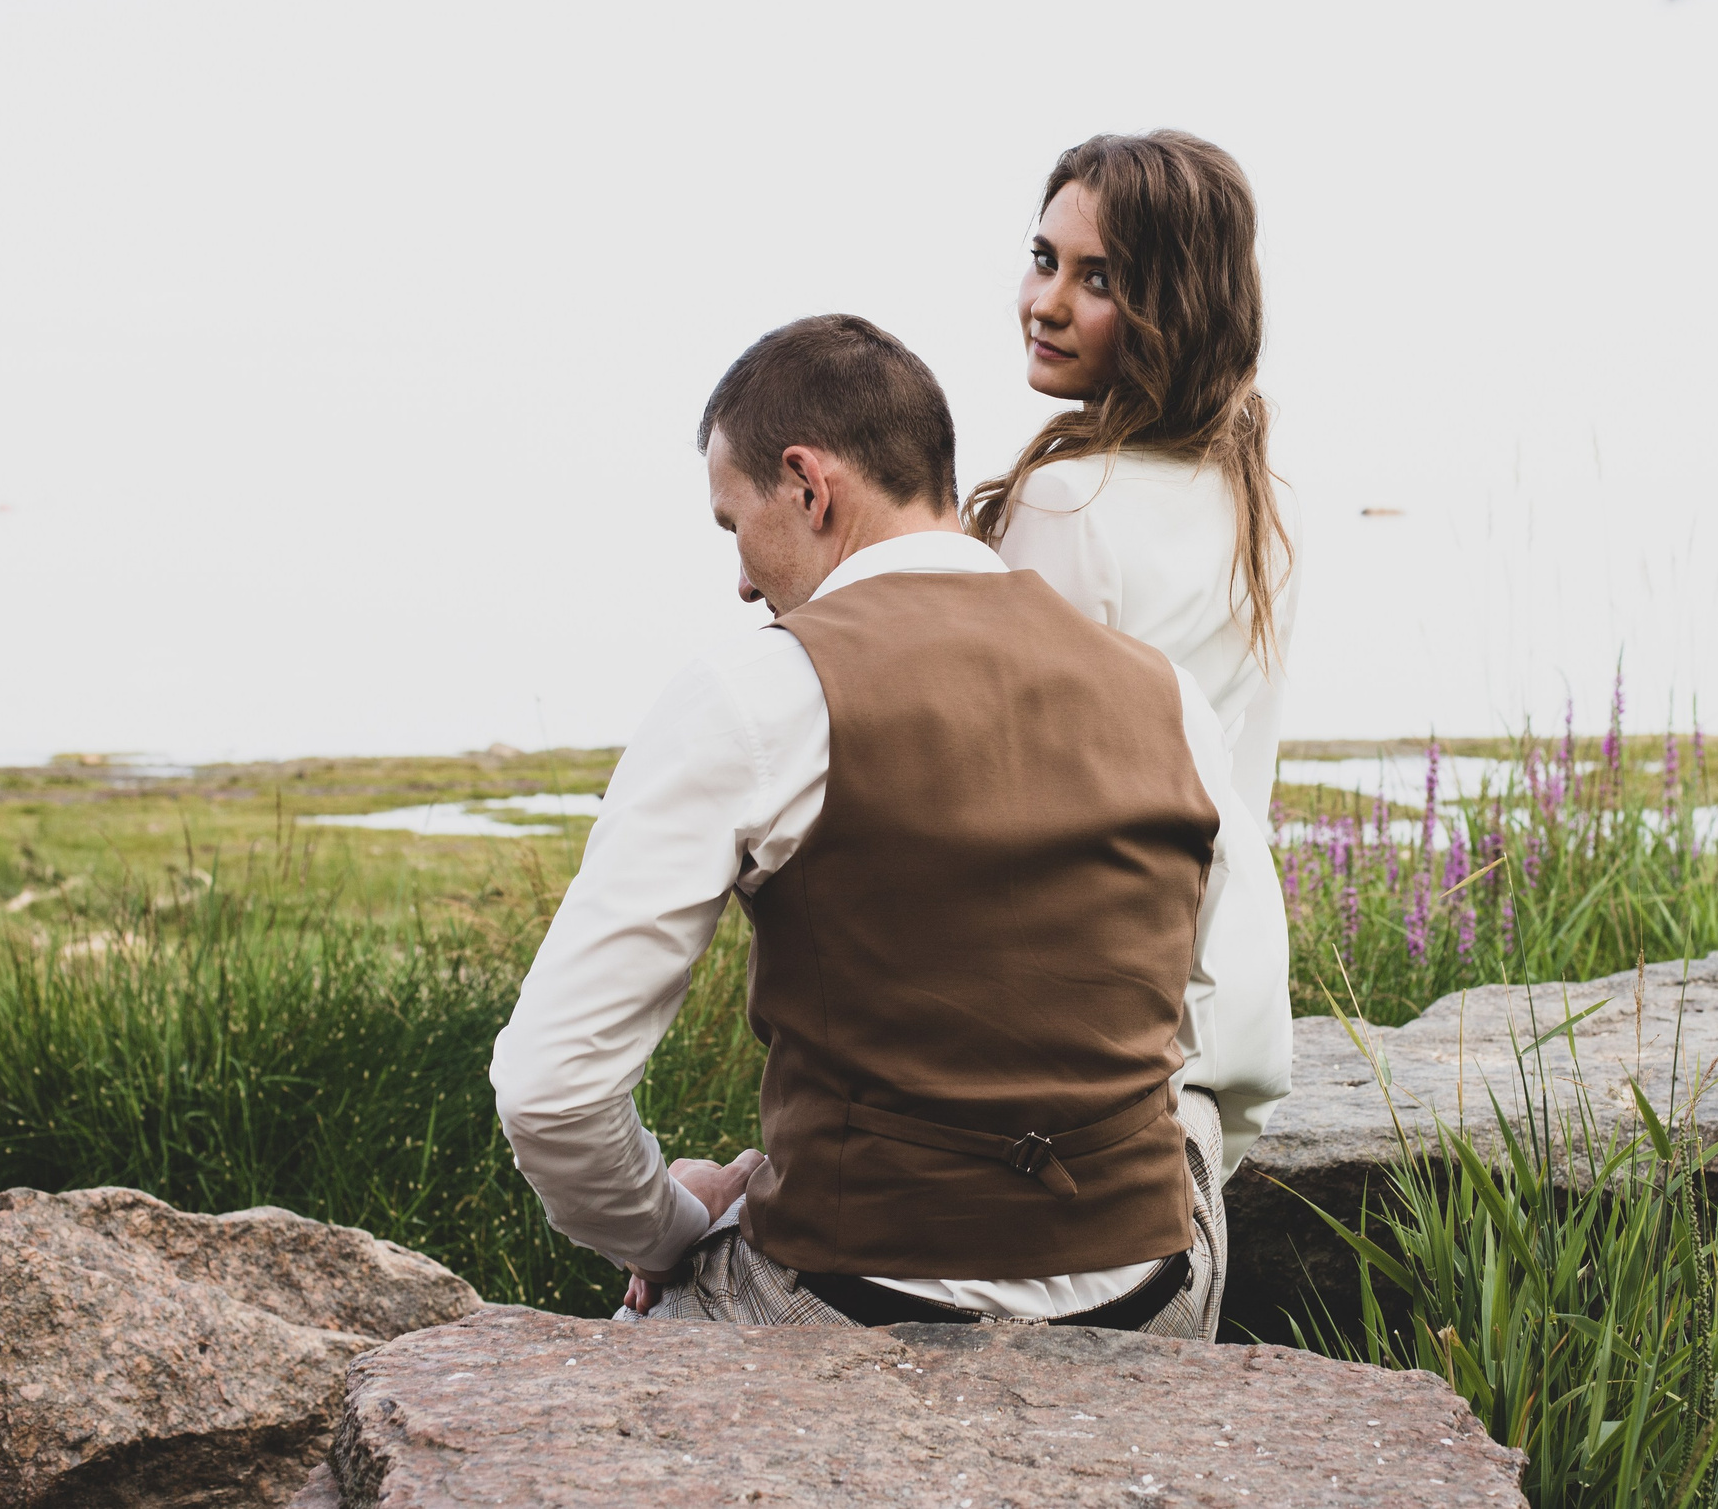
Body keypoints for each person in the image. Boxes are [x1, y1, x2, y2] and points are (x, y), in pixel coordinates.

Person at [490, 314, 1290, 1336]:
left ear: (808, 485)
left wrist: (679, 1228)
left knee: (628, 1368)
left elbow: (550, 1092)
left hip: (858, 1298)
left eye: (735, 524)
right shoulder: (1167, 695)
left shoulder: (756, 691)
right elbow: (1228, 1023)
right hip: (1153, 1291)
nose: (740, 579)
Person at [966, 131, 1299, 822]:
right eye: (1044, 260)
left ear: (1175, 306)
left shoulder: (1065, 501)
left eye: (1099, 279)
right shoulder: (1265, 503)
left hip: (1097, 925)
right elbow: (1249, 770)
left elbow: (1009, 785)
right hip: (1231, 911)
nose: (1045, 304)